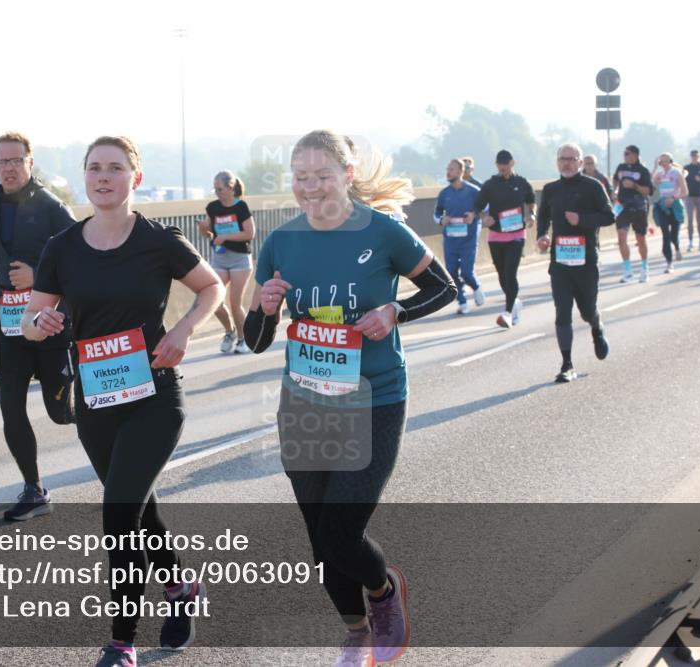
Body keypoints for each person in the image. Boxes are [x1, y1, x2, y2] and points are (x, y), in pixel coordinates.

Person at [244, 130, 455, 667]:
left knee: (342, 532)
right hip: (305, 404)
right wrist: (266, 308)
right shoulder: (281, 242)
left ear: (348, 175)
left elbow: (444, 287)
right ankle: (356, 631)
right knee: (320, 540)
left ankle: (384, 592)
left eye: (322, 176)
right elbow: (255, 339)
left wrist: (395, 312)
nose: (310, 188)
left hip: (375, 398)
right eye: (300, 177)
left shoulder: (385, 232)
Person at [23, 136, 224, 667]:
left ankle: (121, 641)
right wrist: (38, 323)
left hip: (155, 395)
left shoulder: (159, 241)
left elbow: (211, 290)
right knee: (139, 509)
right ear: (84, 177)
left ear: (135, 177)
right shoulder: (61, 247)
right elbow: (30, 318)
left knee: (118, 512)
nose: (103, 177)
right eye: (94, 168)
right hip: (96, 399)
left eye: (115, 168)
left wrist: (182, 332)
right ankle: (181, 586)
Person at [0, 132, 78, 522]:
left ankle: (109, 424)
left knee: (60, 412)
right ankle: (34, 489)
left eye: (15, 161)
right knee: (11, 407)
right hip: (10, 327)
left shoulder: (51, 207)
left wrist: (39, 276)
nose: (8, 168)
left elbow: (80, 257)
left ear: (30, 163)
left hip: (49, 325)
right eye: (1, 162)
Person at [537, 143, 614, 383]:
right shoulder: (550, 189)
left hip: (586, 262)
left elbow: (609, 216)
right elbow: (543, 218)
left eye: (572, 159)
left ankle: (596, 325)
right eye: (563, 159)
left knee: (587, 311)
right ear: (557, 162)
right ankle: (567, 364)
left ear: (581, 162)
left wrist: (581, 219)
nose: (567, 163)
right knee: (562, 313)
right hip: (560, 263)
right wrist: (542, 236)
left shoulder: (593, 187)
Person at [473, 149, 536, 328]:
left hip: (516, 234)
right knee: (501, 275)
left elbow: (532, 201)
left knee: (510, 273)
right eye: (500, 169)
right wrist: (484, 217)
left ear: (512, 164)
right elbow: (478, 205)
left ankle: (507, 312)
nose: (503, 172)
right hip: (496, 236)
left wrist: (532, 214)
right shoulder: (491, 184)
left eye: (506, 168)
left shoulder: (522, 182)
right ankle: (514, 302)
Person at [197, 170, 255, 354]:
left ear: (231, 188)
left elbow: (249, 234)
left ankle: (243, 338)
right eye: (214, 190)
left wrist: (224, 237)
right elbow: (208, 234)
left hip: (239, 259)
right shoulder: (213, 207)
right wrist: (204, 229)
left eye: (220, 189)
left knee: (234, 302)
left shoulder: (241, 207)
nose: (217, 193)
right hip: (219, 258)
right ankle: (229, 332)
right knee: (213, 299)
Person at [434, 158, 485, 314]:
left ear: (461, 171)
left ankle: (476, 287)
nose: (448, 172)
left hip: (468, 239)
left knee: (467, 272)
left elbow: (486, 209)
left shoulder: (473, 191)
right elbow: (436, 214)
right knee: (451, 271)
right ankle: (462, 302)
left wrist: (474, 215)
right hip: (450, 239)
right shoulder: (444, 193)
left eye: (452, 169)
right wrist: (442, 220)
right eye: (447, 169)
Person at [612, 145, 654, 283]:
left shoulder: (643, 171)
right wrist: (615, 190)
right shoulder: (621, 167)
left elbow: (648, 190)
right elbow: (615, 180)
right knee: (621, 237)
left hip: (638, 207)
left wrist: (635, 186)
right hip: (622, 207)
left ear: (634, 155)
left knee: (640, 238)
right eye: (624, 153)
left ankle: (644, 267)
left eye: (627, 153)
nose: (624, 156)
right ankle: (628, 270)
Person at [651, 153, 688, 273]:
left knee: (673, 234)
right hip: (662, 206)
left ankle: (677, 248)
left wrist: (673, 198)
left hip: (675, 205)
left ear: (671, 161)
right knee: (665, 235)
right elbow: (650, 180)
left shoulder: (676, 173)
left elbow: (685, 192)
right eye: (662, 161)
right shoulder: (660, 174)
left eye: (666, 161)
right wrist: (655, 166)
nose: (664, 163)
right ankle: (669, 263)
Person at [683, 149, 700, 252]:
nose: (694, 157)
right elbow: (682, 180)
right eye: (693, 156)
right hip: (689, 196)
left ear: (699, 157)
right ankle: (690, 242)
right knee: (689, 219)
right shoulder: (686, 168)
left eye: (696, 156)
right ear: (691, 157)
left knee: (699, 219)